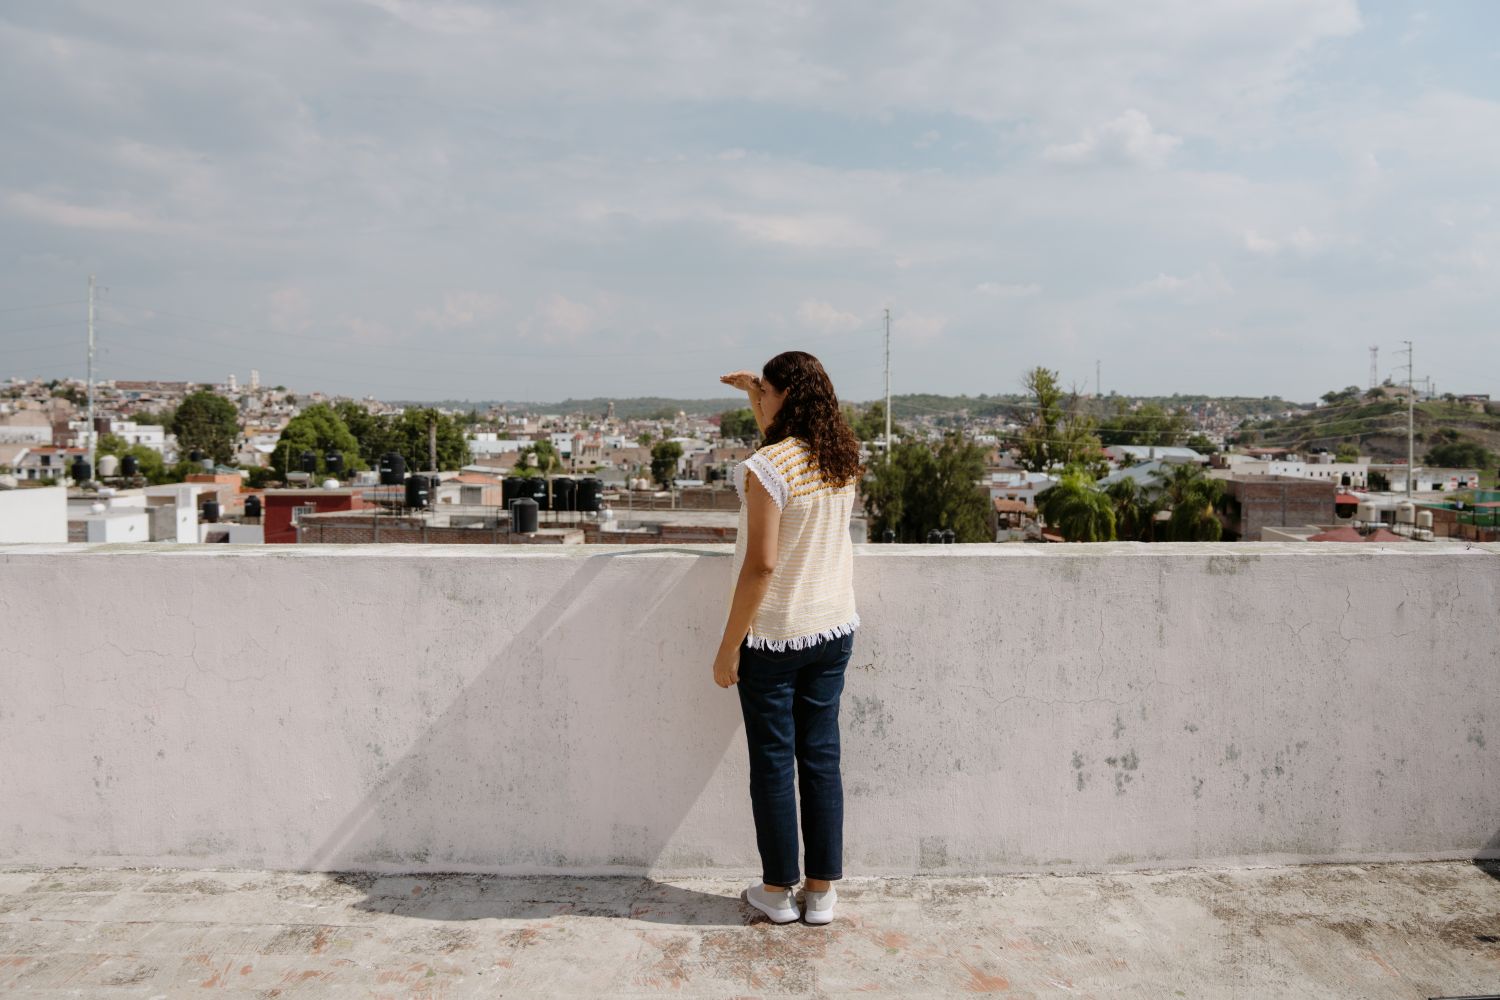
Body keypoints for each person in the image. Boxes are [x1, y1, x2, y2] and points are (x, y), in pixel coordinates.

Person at [714, 351, 863, 926]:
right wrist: (758, 394)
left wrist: (730, 645)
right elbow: (784, 450)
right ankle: (820, 893)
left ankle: (777, 891)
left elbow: (762, 565)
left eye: (768, 392)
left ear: (784, 398)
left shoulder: (766, 468)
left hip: (775, 636)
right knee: (821, 758)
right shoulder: (840, 457)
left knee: (774, 762)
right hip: (831, 627)